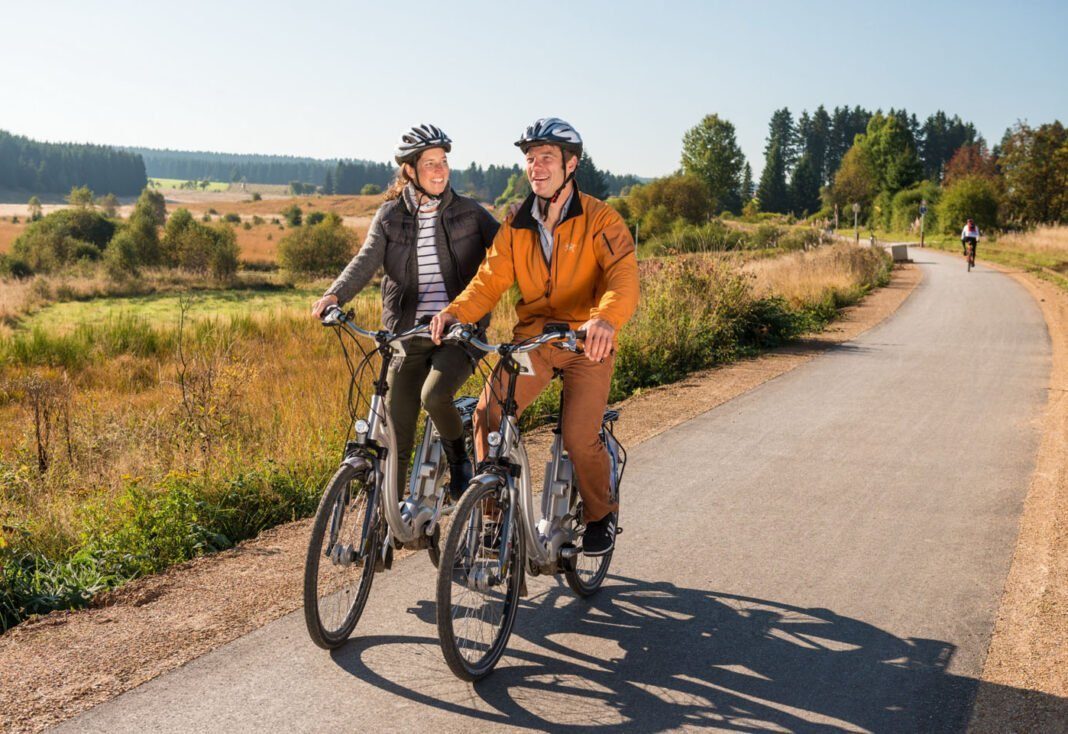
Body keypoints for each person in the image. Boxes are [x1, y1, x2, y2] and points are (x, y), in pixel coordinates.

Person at [431, 117, 640, 556]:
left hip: (586, 343)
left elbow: (623, 278)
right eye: (530, 158)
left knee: (578, 435)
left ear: (571, 164)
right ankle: (492, 519)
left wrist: (605, 319)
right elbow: (489, 280)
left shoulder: (602, 219)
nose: (536, 166)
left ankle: (601, 513)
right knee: (488, 415)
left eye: (546, 157)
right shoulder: (517, 223)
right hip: (533, 343)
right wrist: (455, 312)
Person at [312, 124, 499, 500]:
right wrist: (335, 295)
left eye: (443, 161)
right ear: (410, 170)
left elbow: (510, 251)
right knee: (396, 435)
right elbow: (367, 259)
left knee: (434, 396)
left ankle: (458, 458)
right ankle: (388, 518)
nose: (440, 170)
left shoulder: (470, 214)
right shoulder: (389, 216)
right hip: (406, 335)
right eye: (430, 163)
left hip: (458, 334)